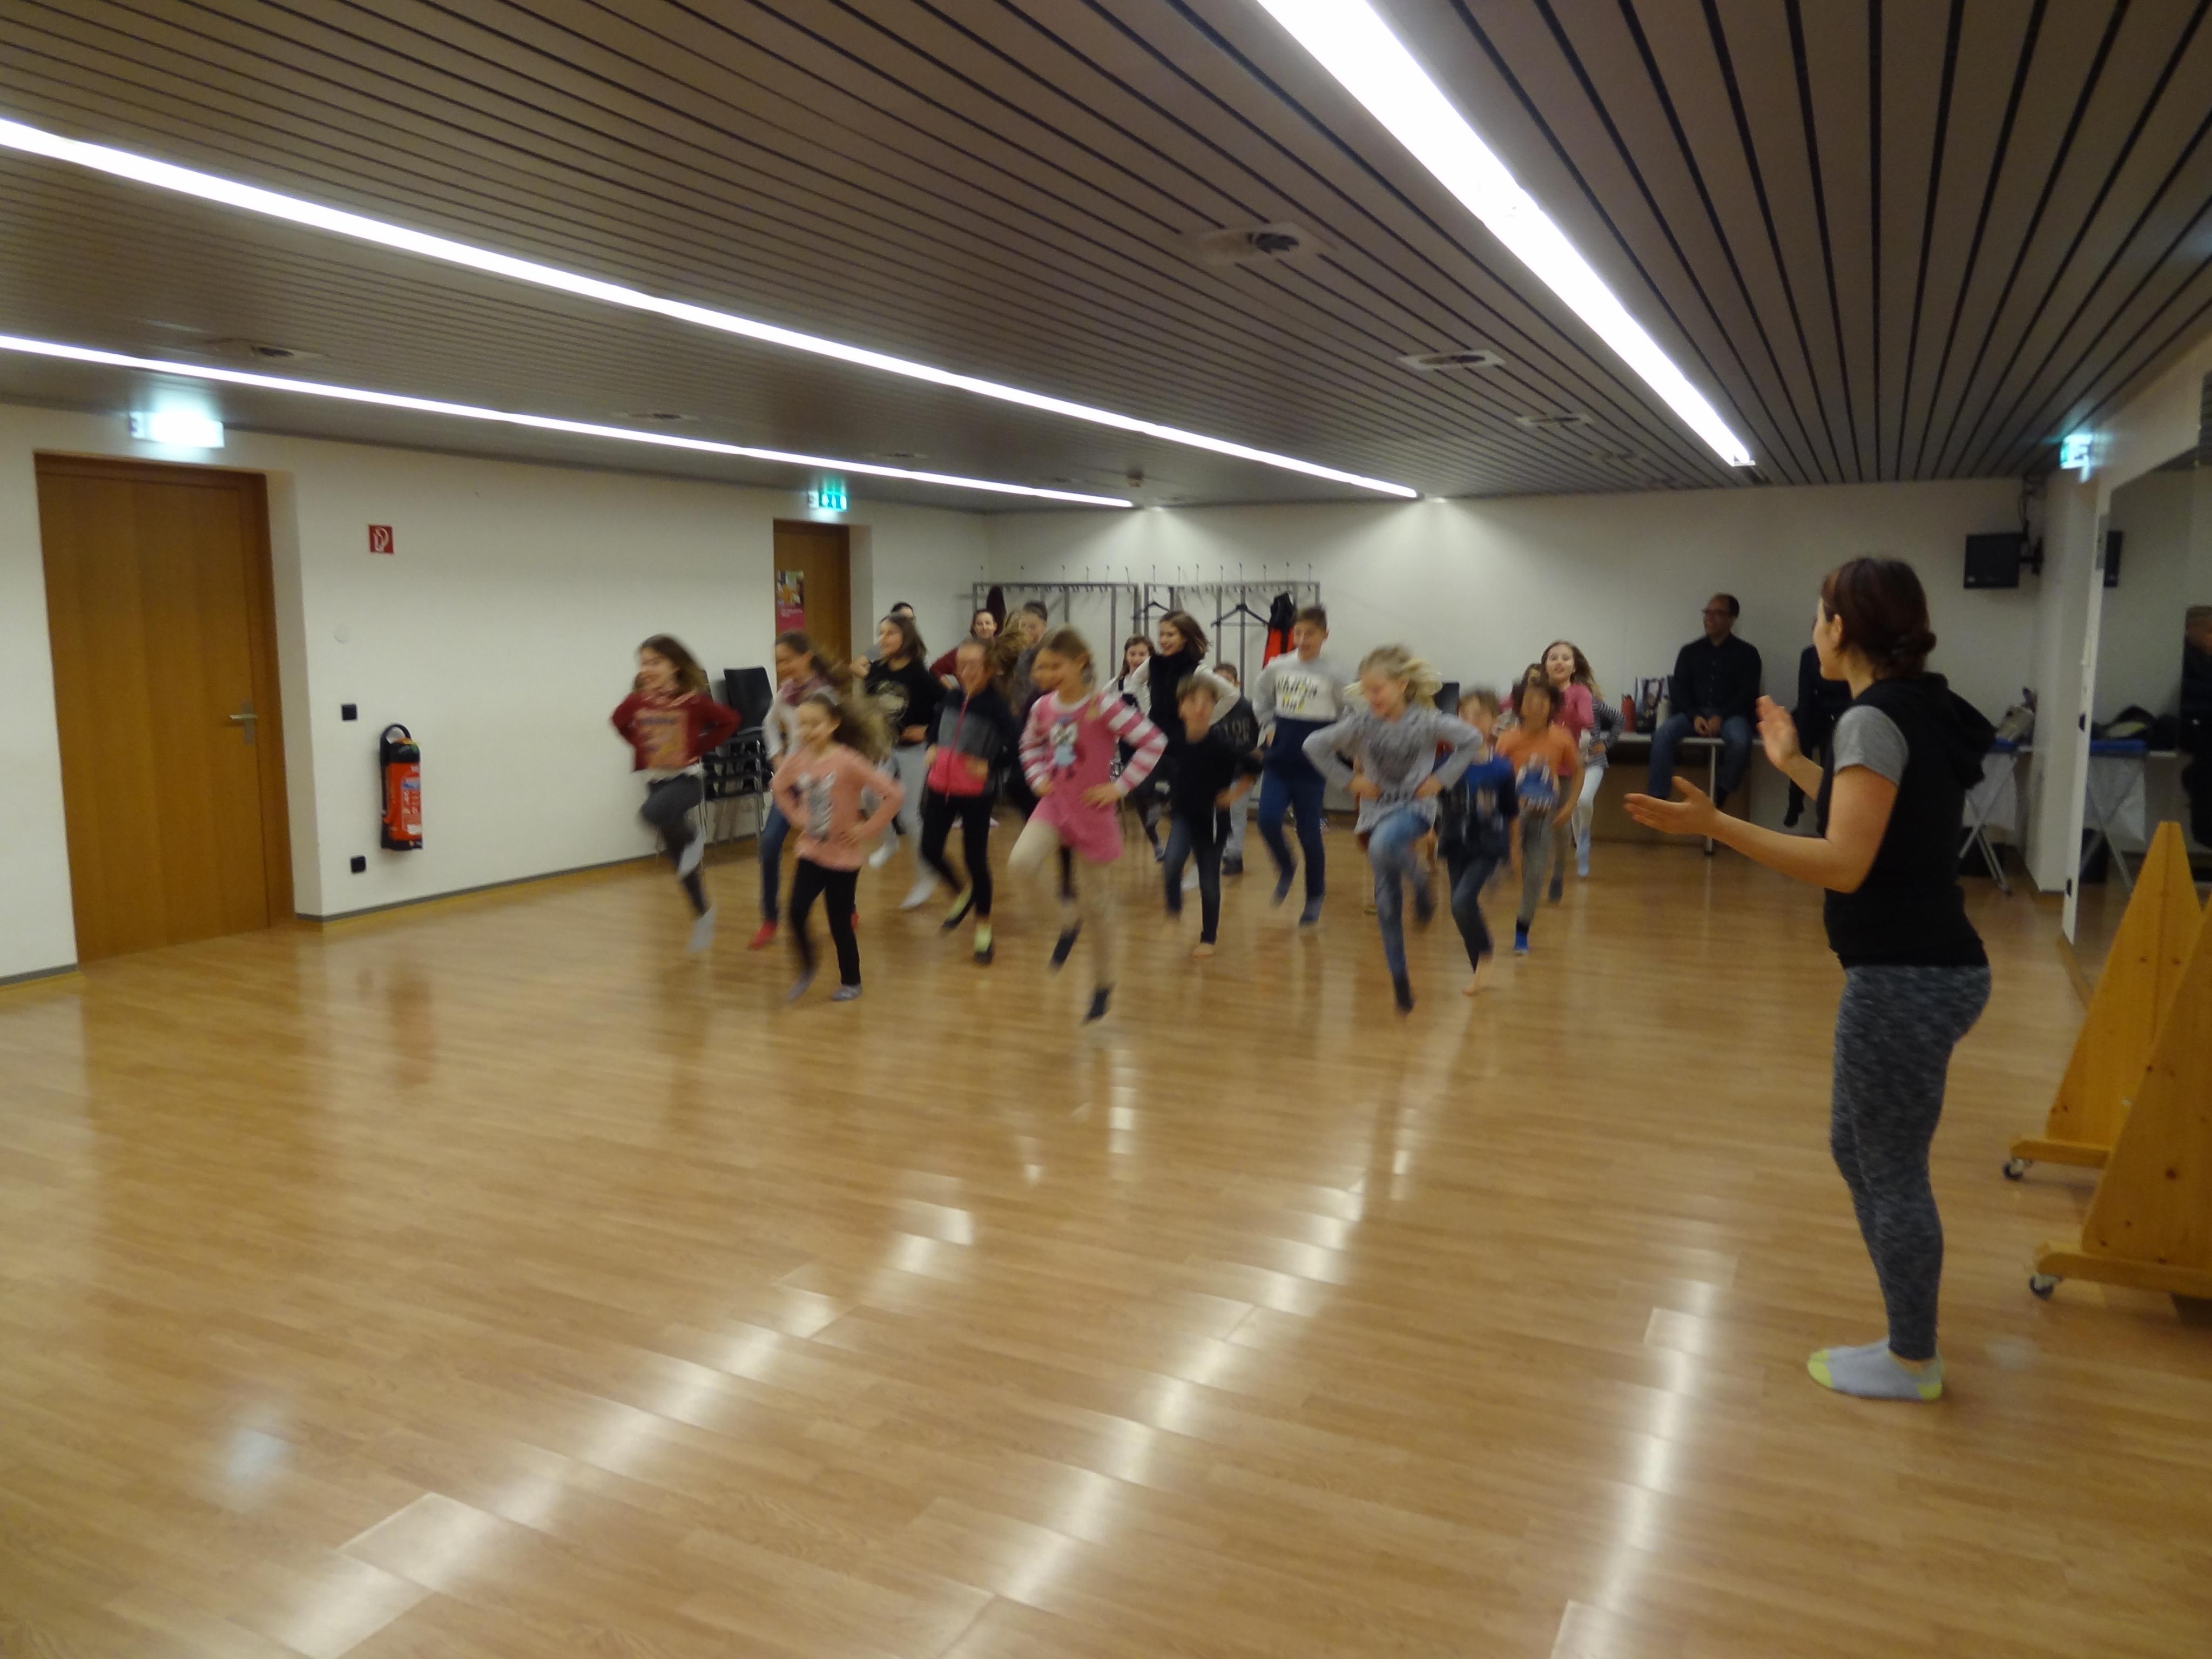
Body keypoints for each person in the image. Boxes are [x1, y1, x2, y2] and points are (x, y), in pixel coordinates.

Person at [1627, 557, 1992, 1404]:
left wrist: (1720, 825)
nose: (1813, 629)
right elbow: (1868, 811)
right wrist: (1791, 763)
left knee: (1891, 1169)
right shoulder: (1909, 704)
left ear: (1842, 628)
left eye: (1820, 614)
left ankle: (1912, 1359)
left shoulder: (1871, 716)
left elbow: (1844, 861)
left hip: (1906, 977)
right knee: (1856, 1149)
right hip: (1925, 968)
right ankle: (1910, 1340)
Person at [1303, 646, 1482, 1014]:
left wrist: (1441, 779)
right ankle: (1400, 981)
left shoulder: (1428, 721)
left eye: (1378, 689)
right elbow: (1313, 745)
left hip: (1415, 808)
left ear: (1401, 685)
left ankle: (1421, 886)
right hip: (1375, 811)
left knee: (1382, 844)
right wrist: (1350, 781)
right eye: (1366, 690)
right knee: (1386, 903)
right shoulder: (1361, 723)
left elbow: (1472, 740)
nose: (1371, 697)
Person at [1011, 628, 1166, 1022]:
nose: (1045, 674)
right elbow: (1029, 744)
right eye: (1041, 667)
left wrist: (1120, 787)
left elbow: (1153, 742)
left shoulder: (1105, 705)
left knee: (1098, 906)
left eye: (1054, 666)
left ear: (1080, 662)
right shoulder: (1043, 707)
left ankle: (1103, 984)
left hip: (1093, 813)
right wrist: (1036, 776)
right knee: (1021, 864)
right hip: (1054, 805)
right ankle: (1067, 920)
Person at [770, 689, 902, 1003]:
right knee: (796, 911)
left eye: (814, 724)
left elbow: (894, 795)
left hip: (843, 857)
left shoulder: (848, 761)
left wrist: (866, 829)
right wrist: (797, 816)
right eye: (801, 725)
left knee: (839, 921)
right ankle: (808, 964)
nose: (806, 731)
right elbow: (778, 787)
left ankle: (851, 981)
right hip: (811, 851)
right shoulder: (797, 760)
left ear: (833, 724)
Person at [610, 635, 739, 953]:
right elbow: (618, 721)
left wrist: (698, 747)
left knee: (650, 814)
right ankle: (703, 916)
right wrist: (641, 745)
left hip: (686, 782)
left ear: (675, 666)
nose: (647, 669)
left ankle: (696, 839)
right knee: (682, 864)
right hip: (658, 784)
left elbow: (729, 721)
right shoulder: (638, 701)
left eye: (655, 662)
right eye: (643, 663)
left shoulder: (692, 702)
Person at [920, 638, 1020, 965]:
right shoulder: (951, 696)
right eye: (960, 665)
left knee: (975, 860)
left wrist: (991, 765)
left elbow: (1017, 747)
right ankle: (963, 893)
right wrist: (931, 746)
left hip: (976, 793)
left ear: (989, 669)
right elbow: (935, 728)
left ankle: (984, 929)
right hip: (940, 787)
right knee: (929, 850)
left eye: (972, 665)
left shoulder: (997, 706)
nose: (964, 671)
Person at [1251, 605, 1347, 926]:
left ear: (1325, 635)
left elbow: (1350, 712)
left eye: (1310, 634)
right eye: (1298, 633)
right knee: (1267, 820)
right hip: (1280, 757)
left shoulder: (1336, 674)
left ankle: (1315, 894)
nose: (1303, 640)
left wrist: (1335, 740)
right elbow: (1261, 698)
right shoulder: (1278, 666)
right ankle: (1286, 866)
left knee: (1309, 833)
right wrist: (1268, 725)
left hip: (1312, 764)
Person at [1123, 611, 1236, 864]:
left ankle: (1189, 852)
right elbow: (1135, 683)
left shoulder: (1198, 670)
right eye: (1161, 634)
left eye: (1170, 635)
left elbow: (1231, 696)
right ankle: (1157, 840)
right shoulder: (1153, 663)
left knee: (1183, 804)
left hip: (1182, 746)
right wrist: (1148, 710)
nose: (1164, 640)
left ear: (1185, 637)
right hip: (1154, 740)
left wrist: (1204, 719)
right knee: (1140, 789)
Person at [1161, 677, 1262, 958]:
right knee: (1171, 864)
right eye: (1193, 702)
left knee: (1209, 881)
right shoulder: (1174, 741)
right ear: (1181, 708)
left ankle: (1208, 937)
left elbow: (1255, 766)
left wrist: (1235, 793)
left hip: (1213, 822)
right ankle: (1174, 909)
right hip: (1183, 817)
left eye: (1207, 702)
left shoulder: (1222, 744)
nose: (1200, 708)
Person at [752, 631, 836, 950]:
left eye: (788, 659)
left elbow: (838, 737)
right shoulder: (785, 693)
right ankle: (770, 918)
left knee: (826, 849)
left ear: (806, 657)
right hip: (791, 785)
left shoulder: (825, 694)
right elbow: (768, 724)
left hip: (819, 785)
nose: (783, 666)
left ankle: (845, 907)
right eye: (779, 661)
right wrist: (777, 757)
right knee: (769, 844)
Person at [1435, 689, 1520, 995]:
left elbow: (1511, 812)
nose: (1470, 721)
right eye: (1464, 715)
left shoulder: (1501, 768)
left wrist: (1513, 850)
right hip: (1454, 843)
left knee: (1462, 902)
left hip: (1488, 845)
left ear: (1494, 721)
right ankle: (1479, 969)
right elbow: (1432, 800)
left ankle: (1485, 954)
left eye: (1479, 715)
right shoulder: (1445, 763)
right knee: (1459, 908)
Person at [1647, 594, 1762, 819]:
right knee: (1662, 734)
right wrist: (1695, 716)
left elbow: (1748, 694)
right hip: (1693, 714)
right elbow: (1679, 690)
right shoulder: (1689, 652)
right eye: (1707, 612)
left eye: (1717, 613)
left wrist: (1722, 715)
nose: (1709, 618)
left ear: (1732, 619)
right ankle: (1658, 800)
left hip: (1731, 716)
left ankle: (1718, 796)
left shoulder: (1748, 653)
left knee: (1741, 741)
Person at [857, 615, 941, 903]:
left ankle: (926, 876)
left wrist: (928, 731)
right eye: (881, 633)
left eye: (890, 633)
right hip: (887, 747)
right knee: (869, 795)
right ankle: (890, 843)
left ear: (906, 637)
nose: (883, 639)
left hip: (914, 751)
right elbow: (870, 709)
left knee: (908, 814)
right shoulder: (876, 671)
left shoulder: (920, 674)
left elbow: (948, 706)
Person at [1498, 677, 1581, 955]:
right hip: (1513, 816)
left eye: (1543, 701)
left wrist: (1569, 806)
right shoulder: (1508, 739)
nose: (1536, 706)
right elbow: (1495, 776)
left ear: (1553, 706)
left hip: (1543, 818)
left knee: (1534, 876)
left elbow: (1578, 771)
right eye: (1530, 701)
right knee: (1502, 866)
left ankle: (1522, 932)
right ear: (1519, 706)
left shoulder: (1561, 738)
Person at [1539, 640, 1618, 883]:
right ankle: (1570, 850)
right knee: (1566, 810)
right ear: (1545, 666)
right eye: (1554, 658)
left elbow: (1611, 719)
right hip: (1561, 764)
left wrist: (1607, 743)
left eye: (1566, 658)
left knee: (1582, 801)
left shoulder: (1584, 694)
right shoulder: (1540, 695)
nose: (1560, 662)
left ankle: (1583, 839)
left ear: (1574, 667)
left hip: (1590, 760)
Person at [1784, 642, 1854, 828]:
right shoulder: (1810, 655)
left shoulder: (1851, 652)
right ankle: (1795, 800)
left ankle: (1825, 817)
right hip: (1816, 710)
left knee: (1830, 747)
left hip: (1843, 711)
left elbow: (1854, 694)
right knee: (1800, 736)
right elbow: (1805, 696)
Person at [1211, 663, 1257, 875]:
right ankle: (1218, 851)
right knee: (1217, 811)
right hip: (1216, 771)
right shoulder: (1209, 710)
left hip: (1241, 770)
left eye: (1227, 681)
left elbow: (1258, 738)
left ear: (1237, 683)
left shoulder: (1248, 708)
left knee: (1236, 812)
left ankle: (1234, 855)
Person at [2181, 606, 2212, 847]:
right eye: (2210, 631)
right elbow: (2187, 691)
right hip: (2195, 726)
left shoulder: (2204, 659)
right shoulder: (2181, 658)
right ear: (2190, 630)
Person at [930, 608, 999, 682]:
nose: (984, 628)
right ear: (974, 627)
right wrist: (952, 688)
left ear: (995, 626)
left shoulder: (1003, 650)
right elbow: (935, 669)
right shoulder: (963, 652)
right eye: (979, 624)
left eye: (988, 623)